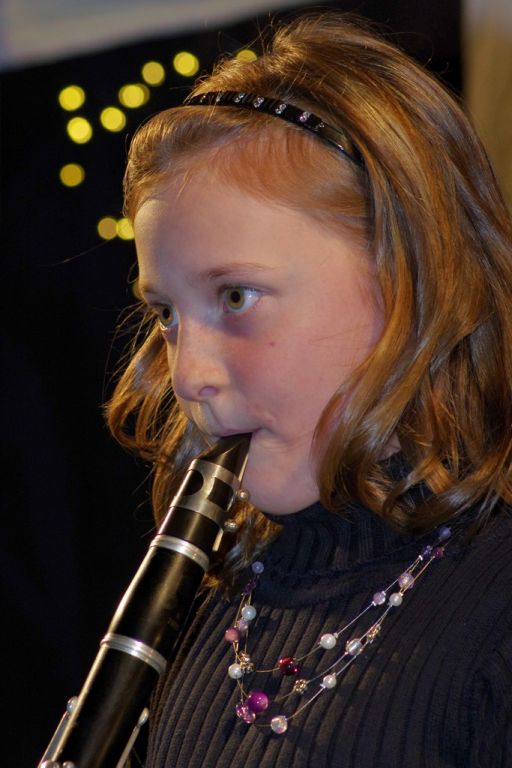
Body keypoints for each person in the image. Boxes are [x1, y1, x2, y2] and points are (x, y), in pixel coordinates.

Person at [106, 12, 512, 767]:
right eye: (165, 313)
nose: (188, 374)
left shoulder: (493, 614)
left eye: (236, 297)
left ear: (410, 276)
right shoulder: (213, 605)